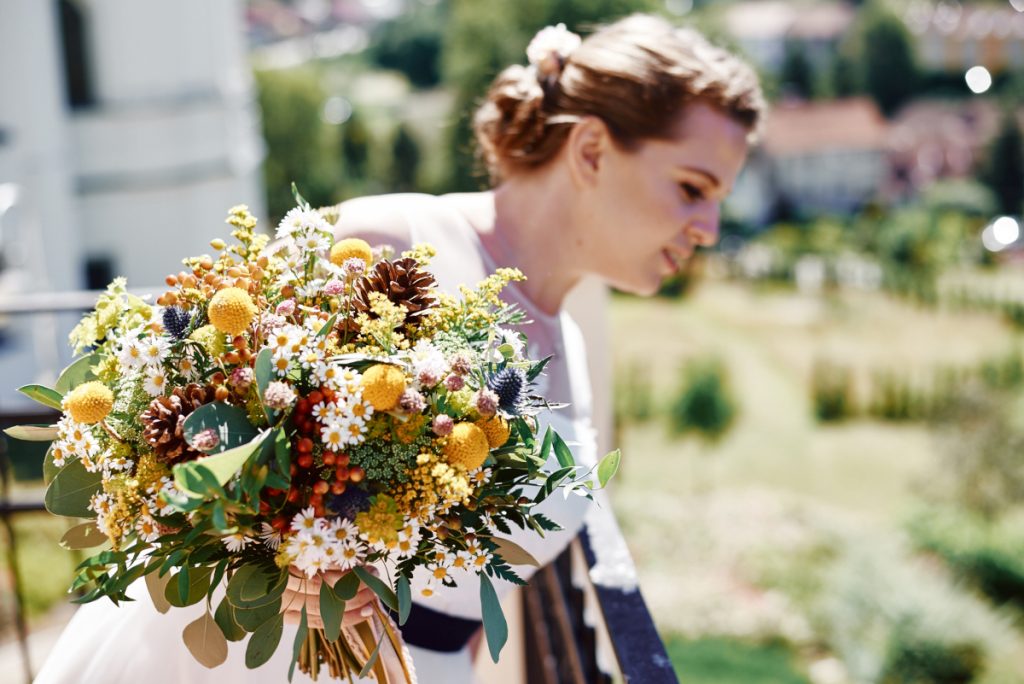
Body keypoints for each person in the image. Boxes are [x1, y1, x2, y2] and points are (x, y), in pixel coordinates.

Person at [34, 13, 763, 684]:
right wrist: (271, 557)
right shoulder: (396, 244)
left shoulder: (567, 340)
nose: (708, 226)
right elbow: (190, 440)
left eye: (720, 198)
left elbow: (480, 597)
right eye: (693, 187)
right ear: (594, 148)